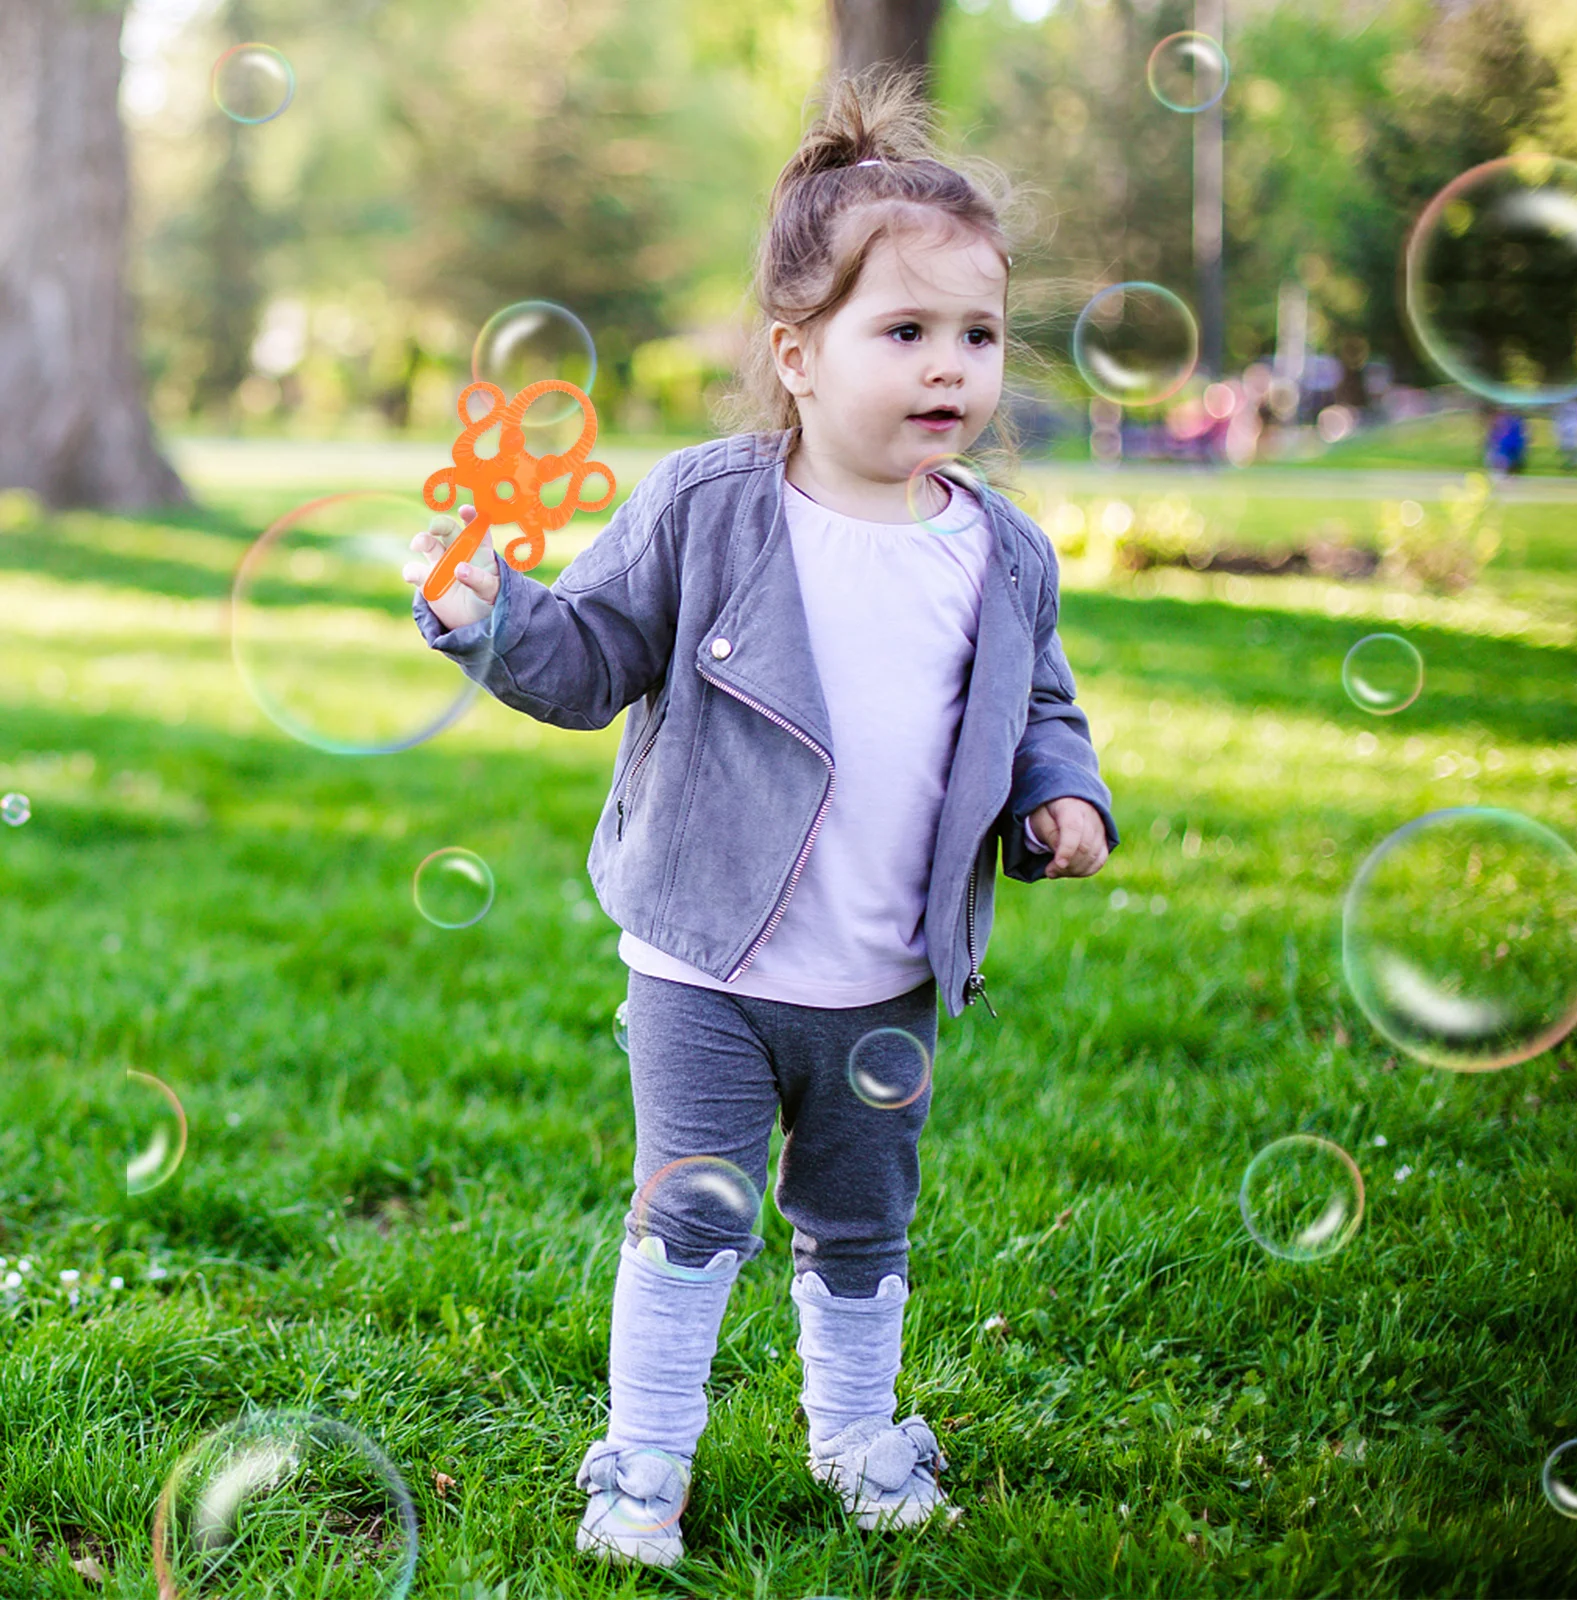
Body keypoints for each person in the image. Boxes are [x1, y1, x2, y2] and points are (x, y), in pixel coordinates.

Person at [403, 71, 1116, 1566]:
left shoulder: (1000, 550)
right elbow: (591, 658)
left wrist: (1062, 795)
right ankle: (642, 1464)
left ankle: (854, 1431)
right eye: (905, 332)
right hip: (708, 965)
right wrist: (491, 617)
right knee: (693, 1217)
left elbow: (1037, 701)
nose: (952, 369)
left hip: (885, 977)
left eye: (977, 336)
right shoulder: (711, 509)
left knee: (862, 1224)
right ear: (796, 355)